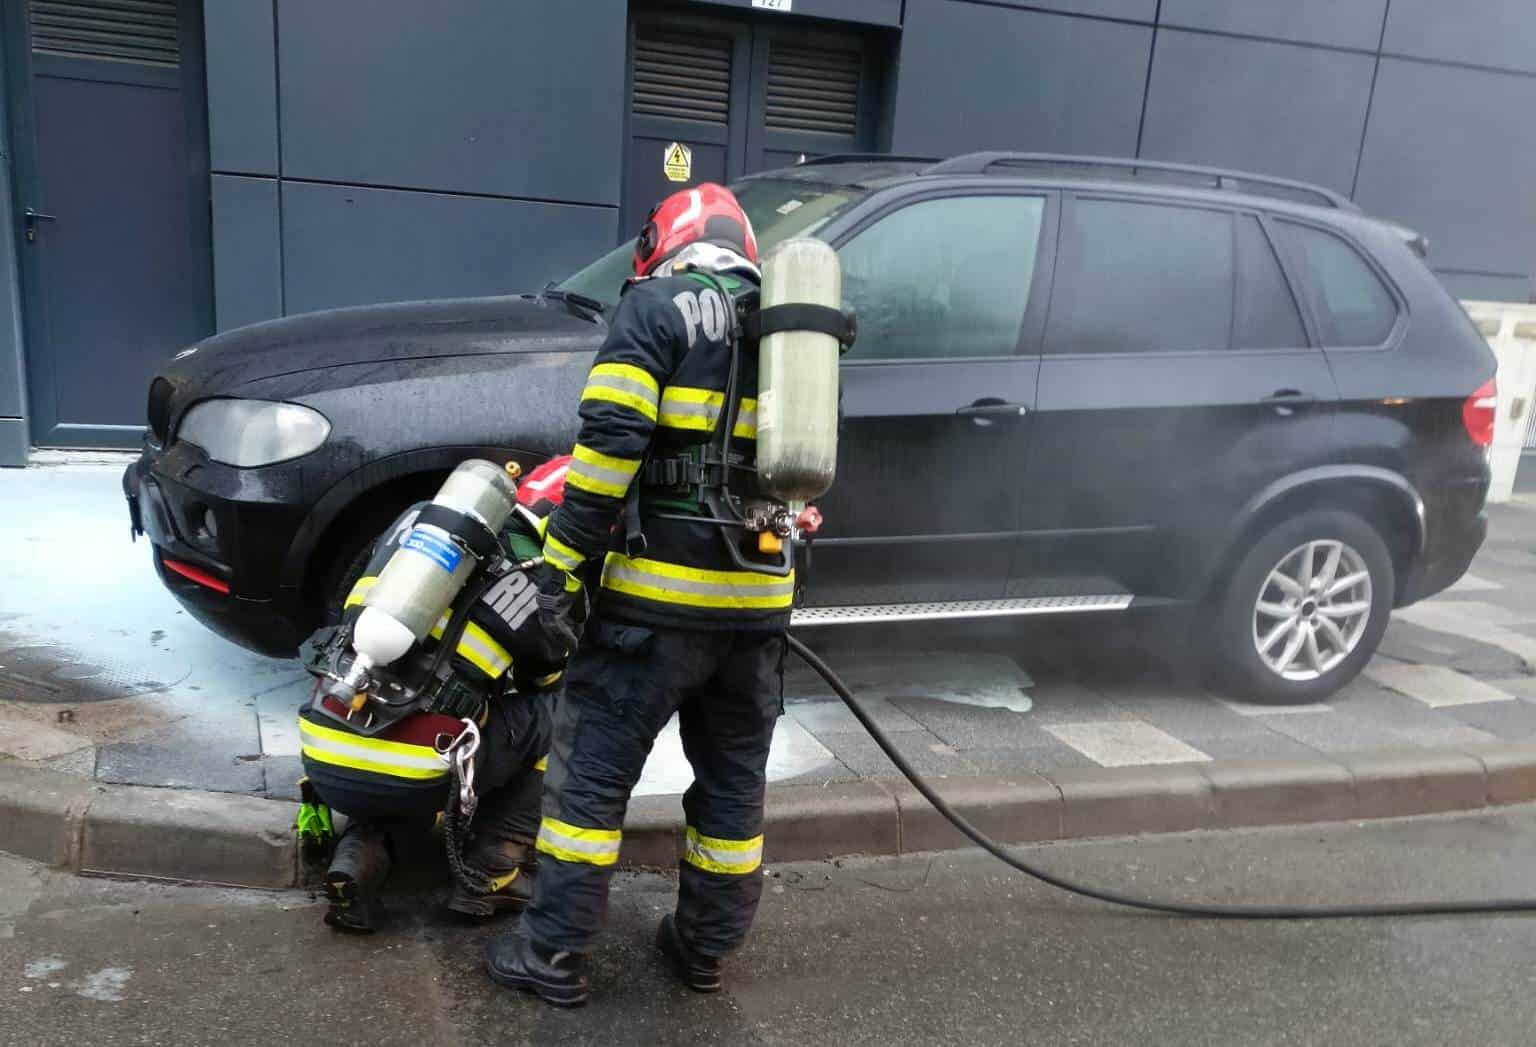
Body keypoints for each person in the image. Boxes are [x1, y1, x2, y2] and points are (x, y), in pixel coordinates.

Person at [486, 183, 792, 1007]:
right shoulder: (798, 335)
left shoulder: (658, 309)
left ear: (665, 244)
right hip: (758, 612)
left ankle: (550, 954)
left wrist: (561, 566)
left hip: (650, 613)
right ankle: (703, 949)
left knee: (588, 780)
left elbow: (608, 451)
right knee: (732, 786)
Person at [298, 459, 580, 933]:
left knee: (399, 729)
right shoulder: (533, 570)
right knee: (560, 712)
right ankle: (493, 869)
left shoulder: (419, 530)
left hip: (323, 749)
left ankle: (358, 862)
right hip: (418, 771)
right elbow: (547, 676)